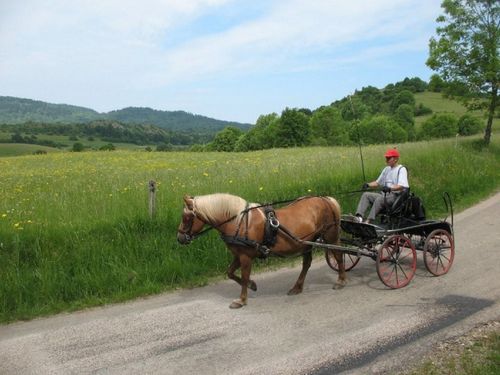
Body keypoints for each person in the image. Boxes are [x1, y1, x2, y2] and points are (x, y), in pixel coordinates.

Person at [355, 148, 409, 224]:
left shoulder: (401, 169)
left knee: (380, 199)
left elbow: (402, 186)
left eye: (389, 158)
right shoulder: (386, 169)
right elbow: (377, 183)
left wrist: (390, 188)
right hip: (384, 195)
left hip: (395, 196)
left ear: (396, 159)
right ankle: (359, 217)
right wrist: (368, 185)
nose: (386, 160)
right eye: (386, 158)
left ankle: (368, 221)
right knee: (366, 195)